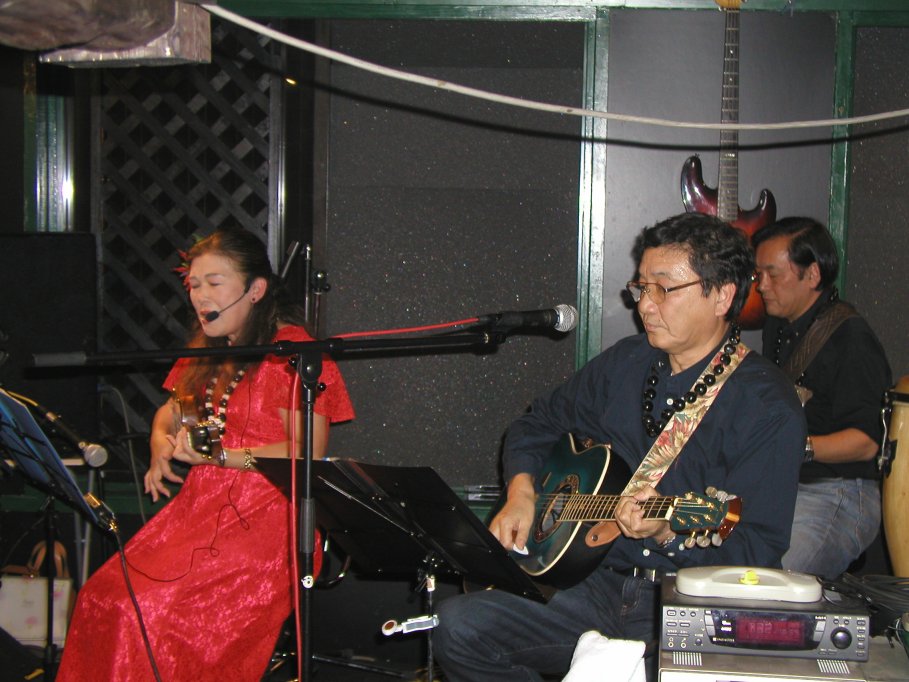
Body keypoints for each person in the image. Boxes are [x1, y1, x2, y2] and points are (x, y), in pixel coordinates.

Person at [433, 213, 806, 682]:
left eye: (664, 289)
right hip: (591, 585)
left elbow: (758, 549)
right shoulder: (627, 362)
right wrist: (522, 492)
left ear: (722, 296)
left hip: (681, 602)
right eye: (641, 287)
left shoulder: (767, 406)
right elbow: (538, 423)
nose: (645, 305)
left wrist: (666, 533)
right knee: (457, 626)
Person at [57, 228, 354, 681]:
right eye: (194, 284)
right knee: (103, 596)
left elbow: (306, 451)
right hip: (200, 511)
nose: (200, 296)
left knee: (150, 614)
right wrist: (160, 443)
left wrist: (222, 457)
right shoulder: (211, 348)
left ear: (255, 289)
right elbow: (171, 411)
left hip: (269, 518)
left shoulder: (292, 352)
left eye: (214, 282)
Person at [753, 217, 891, 580]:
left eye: (772, 275)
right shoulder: (777, 327)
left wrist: (796, 447)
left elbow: (866, 442)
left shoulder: (851, 338)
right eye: (758, 274)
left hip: (838, 494)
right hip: (783, 489)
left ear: (812, 274)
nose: (761, 285)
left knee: (769, 583)